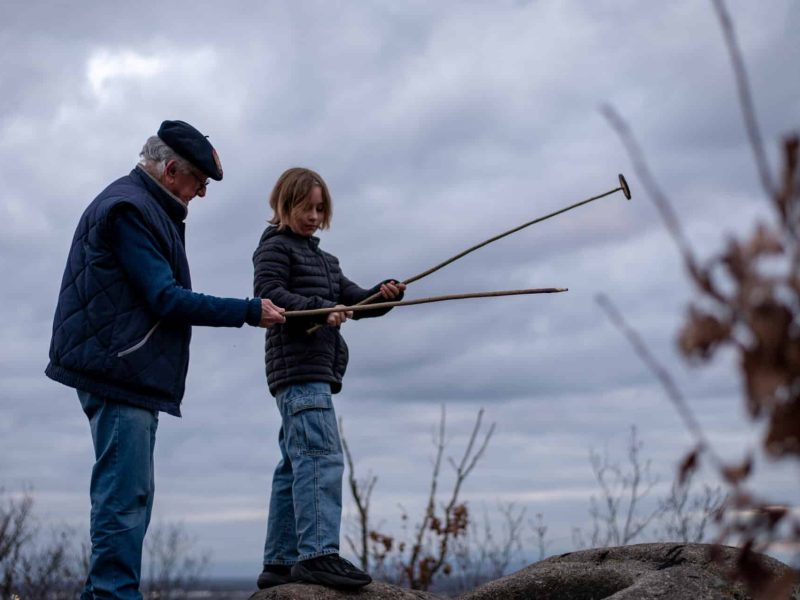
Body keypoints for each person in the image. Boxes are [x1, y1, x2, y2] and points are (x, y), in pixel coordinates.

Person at [45, 120, 286, 600]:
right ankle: (114, 595)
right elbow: (166, 297)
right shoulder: (130, 210)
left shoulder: (145, 206)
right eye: (199, 181)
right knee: (123, 497)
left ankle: (106, 593)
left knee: (130, 494)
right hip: (118, 371)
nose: (201, 193)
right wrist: (247, 311)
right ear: (172, 170)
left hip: (124, 370)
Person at [252, 167, 405, 589]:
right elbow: (269, 296)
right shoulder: (274, 249)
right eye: (306, 207)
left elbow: (357, 301)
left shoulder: (325, 260)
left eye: (320, 208)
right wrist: (321, 308)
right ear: (285, 204)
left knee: (293, 465)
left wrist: (385, 294)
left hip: (313, 372)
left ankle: (280, 562)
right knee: (320, 456)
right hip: (299, 372)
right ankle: (318, 553)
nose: (314, 216)